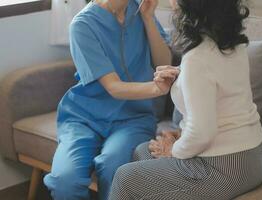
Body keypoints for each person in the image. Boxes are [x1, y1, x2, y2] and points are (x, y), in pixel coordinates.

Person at [109, 0, 262, 199]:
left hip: (226, 166)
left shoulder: (198, 57)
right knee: (144, 151)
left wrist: (173, 150)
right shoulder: (230, 43)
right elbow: (219, 87)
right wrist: (181, 74)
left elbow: (203, 132)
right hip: (255, 154)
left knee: (125, 178)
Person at [43, 0, 178, 199]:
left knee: (113, 166)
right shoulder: (83, 25)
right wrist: (157, 88)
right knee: (65, 181)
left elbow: (164, 62)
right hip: (84, 118)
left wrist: (148, 19)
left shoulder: (139, 11)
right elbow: (114, 87)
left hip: (133, 118)